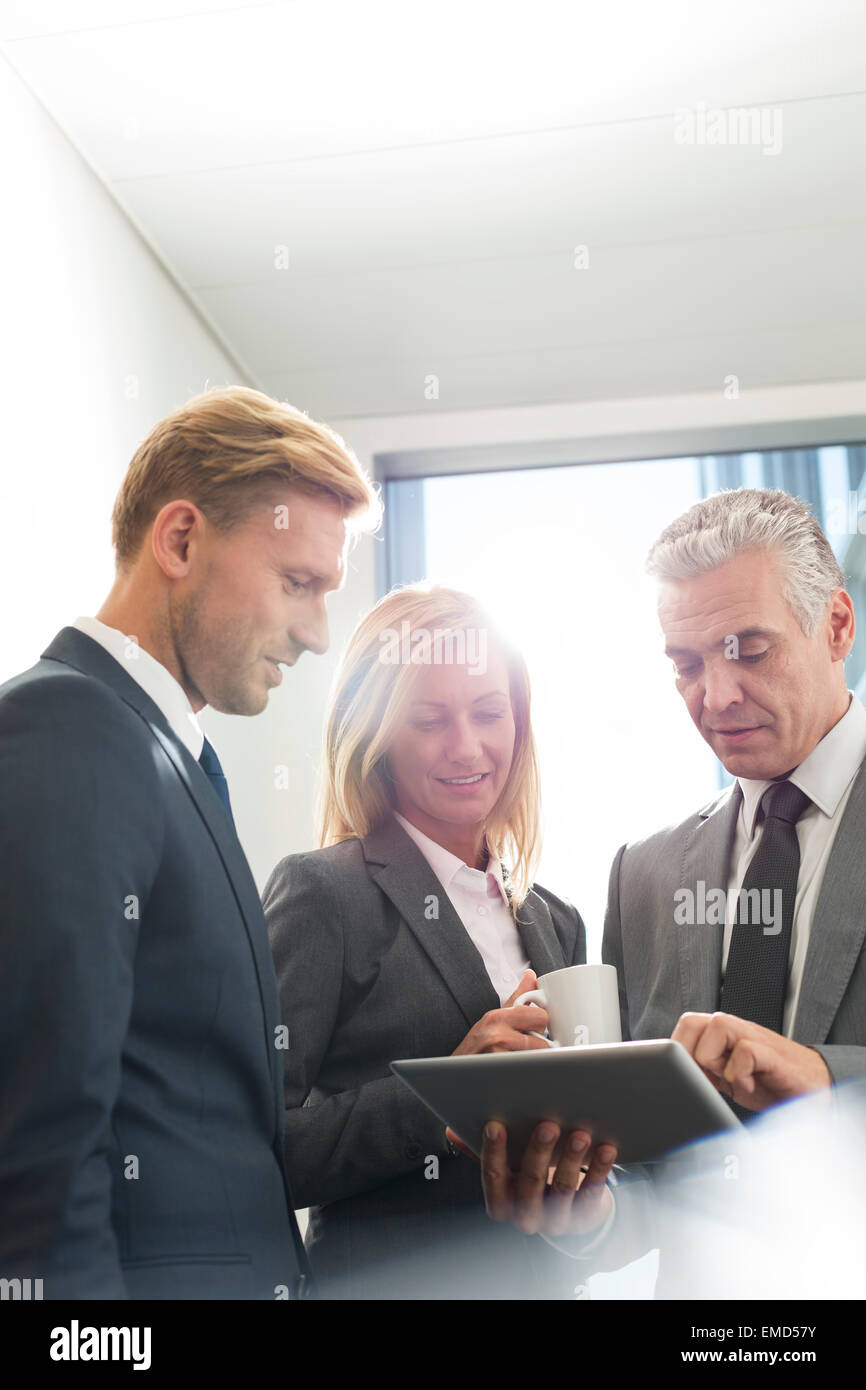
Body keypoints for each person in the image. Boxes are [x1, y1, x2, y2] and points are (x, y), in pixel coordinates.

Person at [0, 385, 378, 1299]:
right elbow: (41, 1140)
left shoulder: (165, 748)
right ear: (179, 540)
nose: (318, 635)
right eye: (298, 584)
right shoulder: (70, 726)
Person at [472, 487, 866, 1272]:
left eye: (748, 650)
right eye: (686, 665)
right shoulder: (644, 875)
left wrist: (827, 1080)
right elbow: (653, 1179)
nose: (715, 697)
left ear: (837, 626)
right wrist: (587, 1213)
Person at [263, 584, 616, 1299]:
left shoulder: (555, 919)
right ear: (378, 733)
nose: (467, 746)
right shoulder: (325, 894)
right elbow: (260, 1145)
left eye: (489, 713)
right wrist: (444, 1099)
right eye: (429, 720)